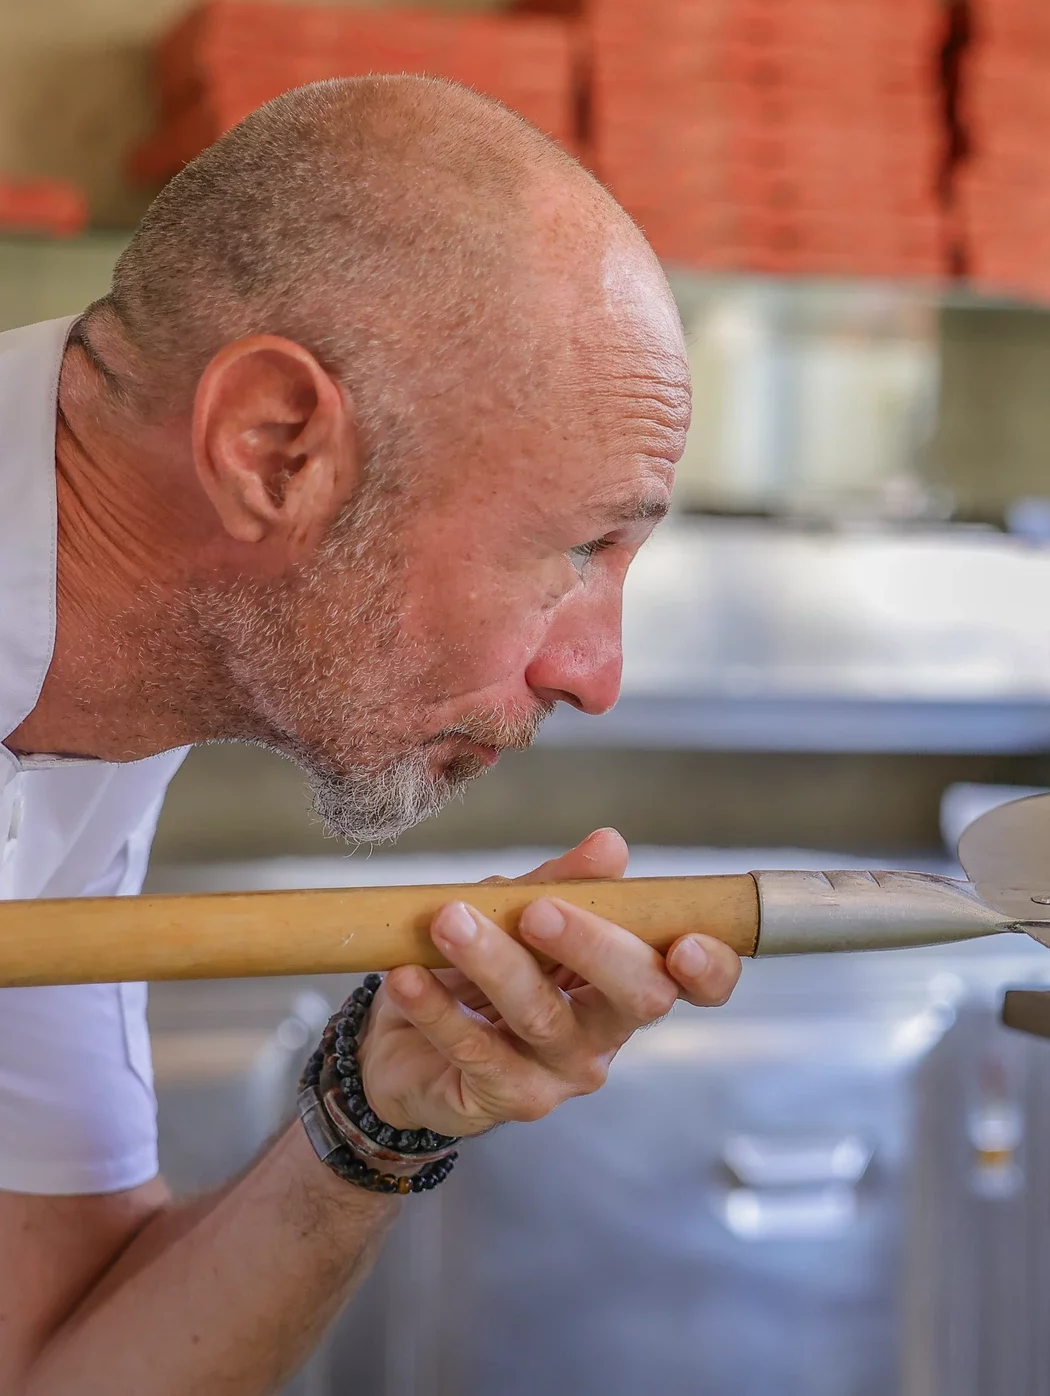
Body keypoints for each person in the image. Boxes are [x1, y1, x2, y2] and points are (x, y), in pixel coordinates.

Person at [0, 74, 743, 1392]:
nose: (595, 676)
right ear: (273, 448)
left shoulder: (89, 699)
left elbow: (47, 1367)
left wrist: (373, 1119)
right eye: (577, 547)